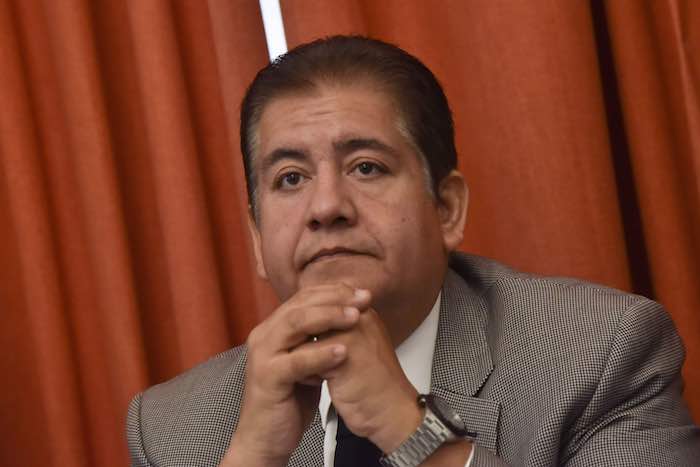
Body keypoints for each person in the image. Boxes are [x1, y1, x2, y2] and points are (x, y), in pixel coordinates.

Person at [126, 36, 699, 467]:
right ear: (257, 239)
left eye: (366, 167)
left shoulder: (598, 354)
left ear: (446, 209)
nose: (326, 206)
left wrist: (408, 430)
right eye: (291, 178)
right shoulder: (175, 429)